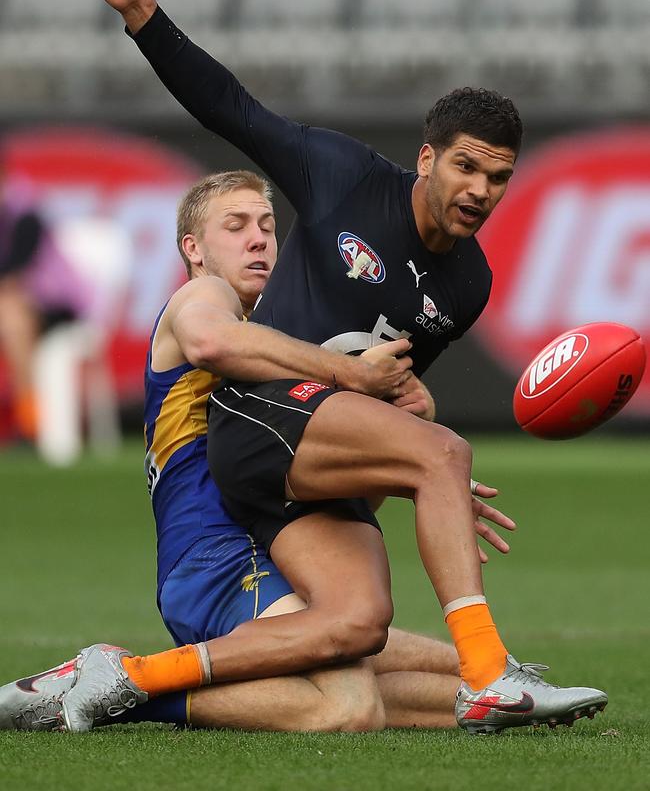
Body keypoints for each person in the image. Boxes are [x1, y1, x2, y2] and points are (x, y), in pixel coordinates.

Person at [64, 0, 608, 735]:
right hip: (255, 421)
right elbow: (233, 109)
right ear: (427, 157)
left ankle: (128, 680)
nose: (478, 191)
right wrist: (142, 15)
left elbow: (391, 387)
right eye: (464, 166)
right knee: (445, 453)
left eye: (497, 179)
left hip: (311, 467)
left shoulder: (470, 284)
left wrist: (418, 456)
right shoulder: (343, 177)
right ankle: (492, 673)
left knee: (361, 627)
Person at [0, 169, 480, 733]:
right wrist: (348, 374)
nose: (258, 239)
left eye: (268, 226)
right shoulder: (204, 297)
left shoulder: (281, 342)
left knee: (462, 676)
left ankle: (503, 691)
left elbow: (343, 504)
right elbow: (210, 339)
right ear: (194, 249)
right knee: (347, 705)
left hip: (277, 557)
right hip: (214, 558)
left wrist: (408, 451)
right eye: (236, 226)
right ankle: (123, 686)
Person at [0, 164, 91, 444]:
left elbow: (14, 273)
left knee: (11, 316)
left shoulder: (23, 210)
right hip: (21, 304)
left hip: (57, 304)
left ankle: (29, 423)